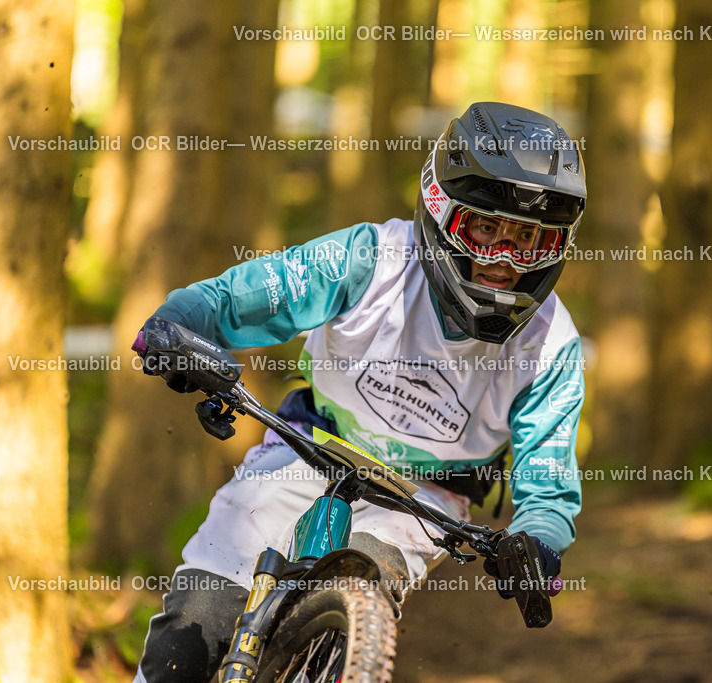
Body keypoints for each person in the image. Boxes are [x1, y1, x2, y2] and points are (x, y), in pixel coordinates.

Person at [133, 101, 586, 682]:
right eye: (485, 228)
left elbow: (548, 484)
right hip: (306, 449)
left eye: (528, 238)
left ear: (557, 244)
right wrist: (180, 323)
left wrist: (537, 543)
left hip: (423, 500)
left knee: (368, 572)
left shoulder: (552, 343)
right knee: (193, 629)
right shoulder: (371, 259)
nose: (502, 258)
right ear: (442, 211)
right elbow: (244, 295)